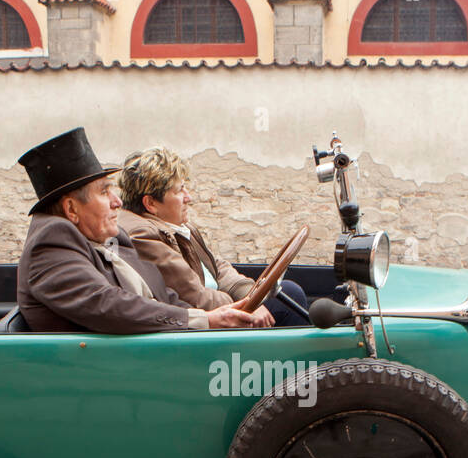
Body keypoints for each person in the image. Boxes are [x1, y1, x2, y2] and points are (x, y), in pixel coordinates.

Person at [15, 128, 271, 334]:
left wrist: (210, 318)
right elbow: (107, 305)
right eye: (104, 192)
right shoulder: (52, 241)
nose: (117, 201)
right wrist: (204, 320)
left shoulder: (110, 237)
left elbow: (165, 296)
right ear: (71, 209)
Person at [116, 147, 308, 326]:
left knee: (286, 293)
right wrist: (246, 305)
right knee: (291, 294)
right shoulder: (143, 236)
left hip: (220, 310)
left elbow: (218, 268)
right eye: (179, 190)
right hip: (206, 328)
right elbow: (194, 297)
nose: (188, 197)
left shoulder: (180, 227)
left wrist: (250, 295)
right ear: (151, 203)